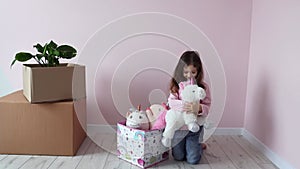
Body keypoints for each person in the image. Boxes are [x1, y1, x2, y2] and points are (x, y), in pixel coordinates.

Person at [152, 51, 211, 164]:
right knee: (178, 157)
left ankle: (198, 146)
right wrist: (185, 106)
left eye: (193, 72)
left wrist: (198, 108)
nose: (189, 76)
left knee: (193, 159)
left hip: (194, 128)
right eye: (186, 72)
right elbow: (171, 102)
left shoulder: (202, 87)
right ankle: (190, 147)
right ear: (180, 71)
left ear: (198, 72)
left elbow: (207, 106)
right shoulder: (176, 85)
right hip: (179, 128)